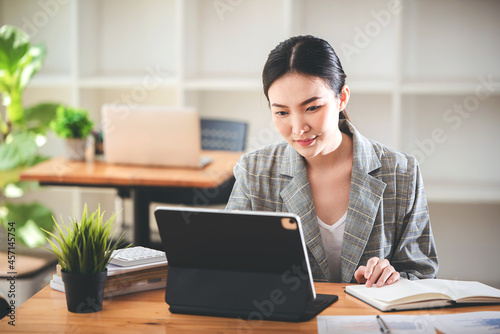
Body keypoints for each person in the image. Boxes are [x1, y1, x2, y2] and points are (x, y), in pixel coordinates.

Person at [225, 35, 438, 286]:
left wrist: (392, 279)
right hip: (286, 322)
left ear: (342, 98)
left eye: (312, 108)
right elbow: (228, 266)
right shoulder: (254, 172)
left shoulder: (402, 173)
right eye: (282, 112)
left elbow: (423, 276)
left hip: (366, 322)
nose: (298, 128)